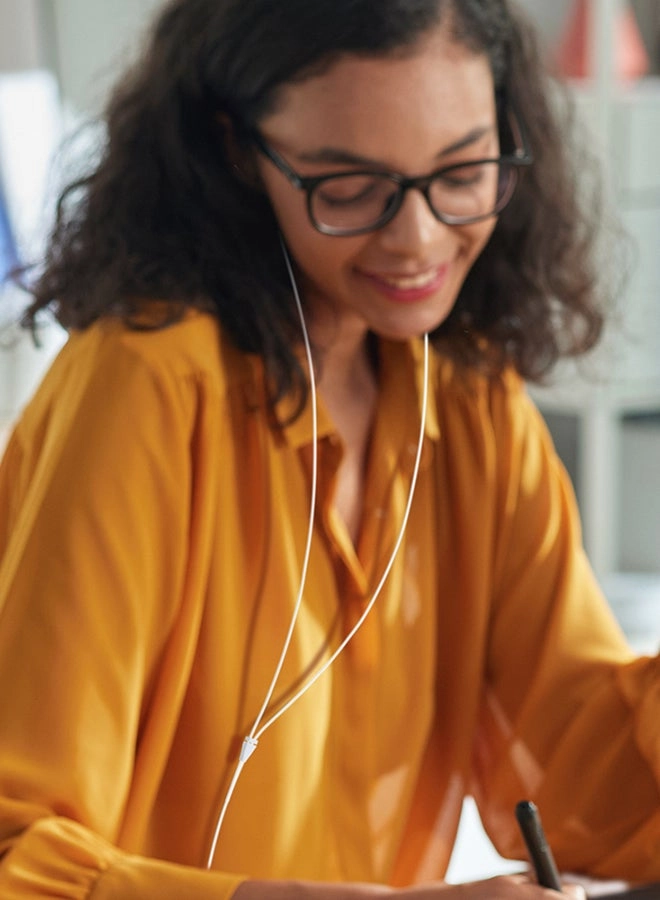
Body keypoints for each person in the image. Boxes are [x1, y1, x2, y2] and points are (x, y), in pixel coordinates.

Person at [0, 0, 658, 897]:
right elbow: (16, 853)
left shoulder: (466, 399)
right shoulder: (146, 389)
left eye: (464, 172)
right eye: (348, 187)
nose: (419, 238)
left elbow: (593, 786)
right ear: (236, 152)